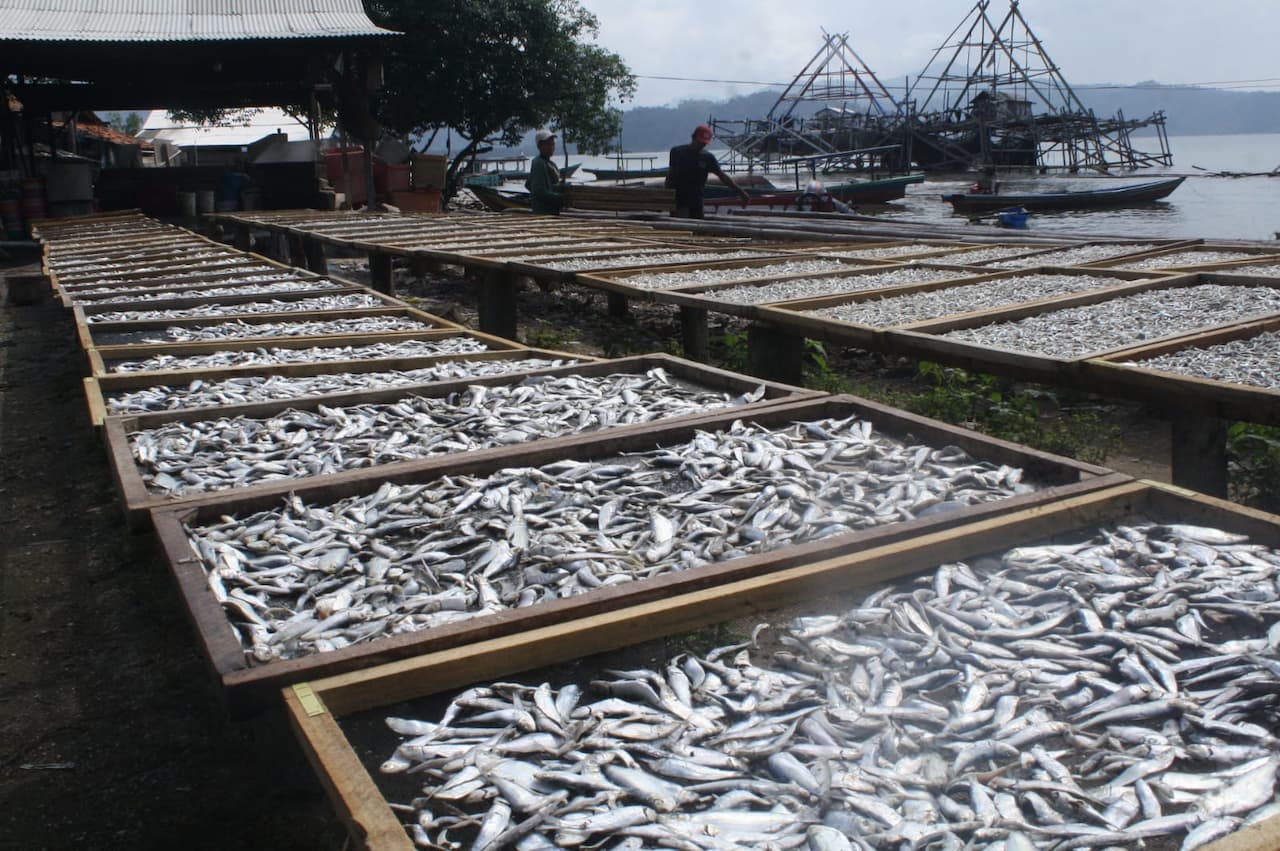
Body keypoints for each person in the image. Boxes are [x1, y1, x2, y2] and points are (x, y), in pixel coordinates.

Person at [665, 124, 749, 219]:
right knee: (681, 226)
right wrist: (666, 196)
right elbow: (670, 175)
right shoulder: (677, 152)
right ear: (693, 137)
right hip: (679, 199)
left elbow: (722, 176)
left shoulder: (708, 158)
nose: (701, 145)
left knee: (697, 228)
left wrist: (741, 191)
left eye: (704, 144)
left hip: (696, 200)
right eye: (699, 142)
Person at [526, 129, 565, 214]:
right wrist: (560, 197)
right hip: (544, 211)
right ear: (539, 146)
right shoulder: (538, 163)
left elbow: (528, 184)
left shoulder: (550, 163)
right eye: (547, 145)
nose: (551, 147)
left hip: (551, 209)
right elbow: (538, 191)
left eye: (552, 144)